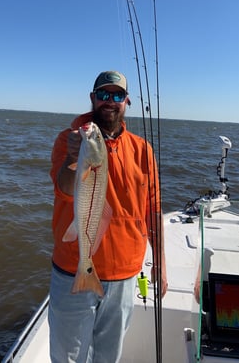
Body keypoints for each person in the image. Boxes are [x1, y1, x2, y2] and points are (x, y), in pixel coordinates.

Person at [48, 70, 168, 363]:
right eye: (103, 94)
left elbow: (153, 208)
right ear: (93, 99)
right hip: (74, 268)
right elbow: (63, 188)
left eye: (117, 95)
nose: (110, 101)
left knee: (108, 356)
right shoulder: (71, 140)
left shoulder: (142, 149)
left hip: (125, 275)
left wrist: (161, 263)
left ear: (126, 102)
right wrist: (73, 158)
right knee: (67, 357)